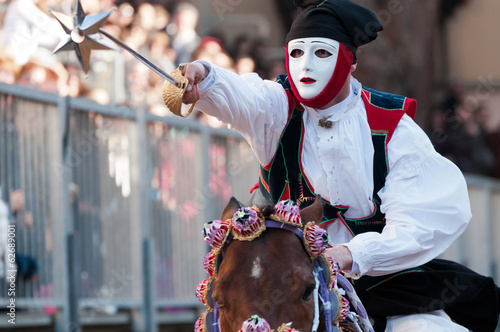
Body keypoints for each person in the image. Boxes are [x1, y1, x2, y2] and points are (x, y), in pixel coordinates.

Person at [179, 0, 500, 331]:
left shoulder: (392, 128)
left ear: (350, 63)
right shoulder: (277, 109)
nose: (306, 66)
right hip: (287, 285)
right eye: (296, 53)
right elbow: (241, 95)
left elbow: (419, 225)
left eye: (321, 53)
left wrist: (352, 255)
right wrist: (204, 78)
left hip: (384, 286)